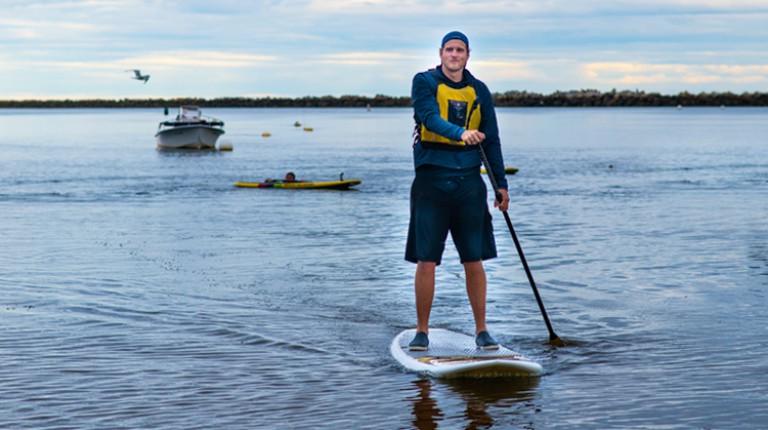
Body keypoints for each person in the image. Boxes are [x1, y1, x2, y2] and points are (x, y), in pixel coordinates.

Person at [405, 31, 509, 351]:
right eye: (449, 49)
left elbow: (490, 139)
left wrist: (500, 184)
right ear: (441, 53)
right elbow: (429, 119)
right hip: (431, 182)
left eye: (459, 50)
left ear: (467, 55)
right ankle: (421, 331)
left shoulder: (479, 91)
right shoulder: (424, 82)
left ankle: (482, 331)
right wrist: (461, 134)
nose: (454, 54)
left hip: (469, 185)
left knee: (473, 259)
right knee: (427, 260)